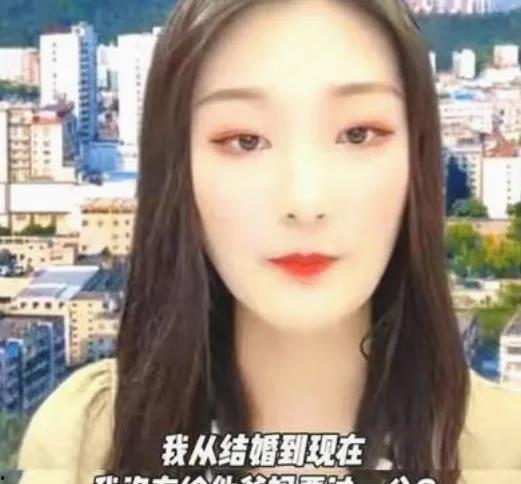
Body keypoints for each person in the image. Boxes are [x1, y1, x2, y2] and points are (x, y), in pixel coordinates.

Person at [17, 1, 521, 483]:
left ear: (418, 157)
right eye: (246, 141)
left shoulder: (502, 449)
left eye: (358, 134)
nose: (305, 202)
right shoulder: (91, 441)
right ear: (178, 169)